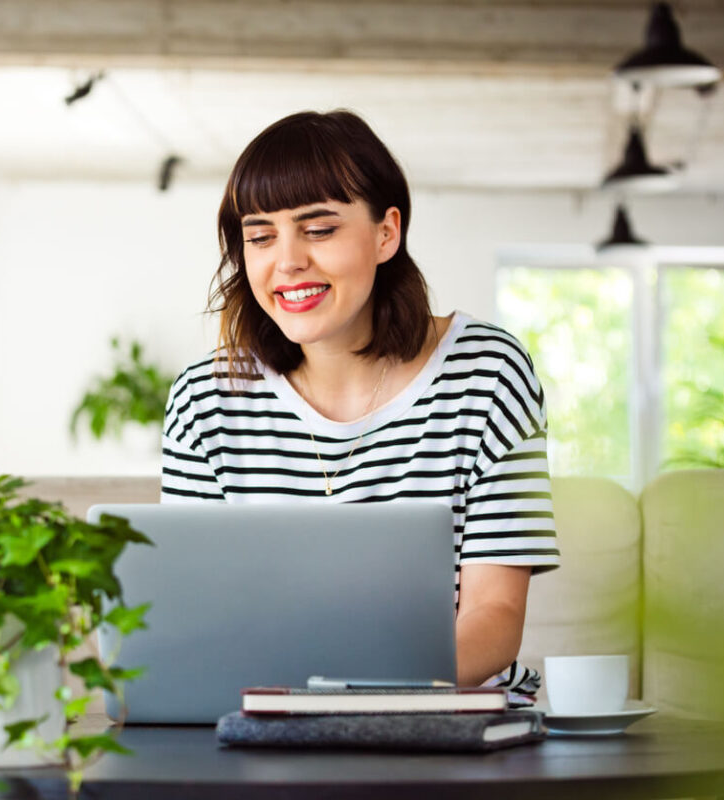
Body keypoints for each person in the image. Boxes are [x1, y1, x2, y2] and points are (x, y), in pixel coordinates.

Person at [160, 110, 559, 691]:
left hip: (444, 719)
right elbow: (194, 619)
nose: (288, 260)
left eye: (318, 229)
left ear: (386, 233)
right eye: (261, 236)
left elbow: (493, 619)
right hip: (268, 720)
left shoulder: (487, 373)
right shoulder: (205, 400)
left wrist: (337, 695)